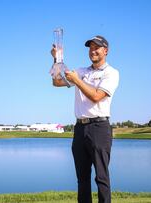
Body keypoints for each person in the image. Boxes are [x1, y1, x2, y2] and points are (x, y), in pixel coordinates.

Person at [50, 35, 119, 203]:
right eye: (90, 48)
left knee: (101, 177)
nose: (93, 50)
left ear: (106, 51)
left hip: (99, 127)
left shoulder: (111, 73)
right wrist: (56, 59)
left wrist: (78, 81)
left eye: (97, 47)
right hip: (80, 128)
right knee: (82, 178)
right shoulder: (81, 71)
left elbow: (96, 96)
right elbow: (57, 82)